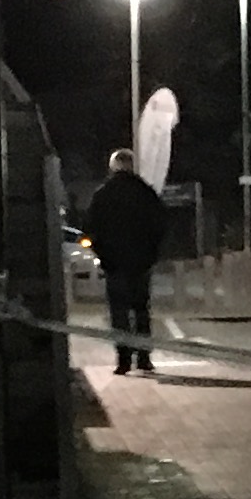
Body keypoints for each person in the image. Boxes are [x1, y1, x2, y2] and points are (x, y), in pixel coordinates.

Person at [83, 149, 166, 375]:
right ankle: (144, 358)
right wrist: (151, 254)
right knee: (141, 310)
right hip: (141, 263)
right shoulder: (145, 192)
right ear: (131, 166)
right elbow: (160, 226)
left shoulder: (102, 195)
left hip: (114, 263)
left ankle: (124, 360)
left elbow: (89, 230)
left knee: (119, 312)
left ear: (113, 167)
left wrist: (101, 254)